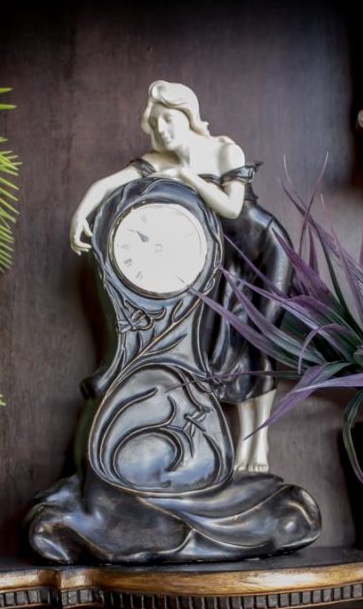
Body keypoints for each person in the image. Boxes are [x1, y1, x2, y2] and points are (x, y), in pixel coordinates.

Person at [70, 80, 290, 473]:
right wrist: (79, 214)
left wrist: (188, 177)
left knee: (260, 345)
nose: (163, 130)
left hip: (267, 250)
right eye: (156, 125)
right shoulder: (160, 160)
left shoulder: (224, 149)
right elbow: (107, 185)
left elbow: (230, 207)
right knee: (232, 348)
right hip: (226, 261)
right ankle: (244, 444)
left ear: (188, 115)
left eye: (169, 120)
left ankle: (260, 445)